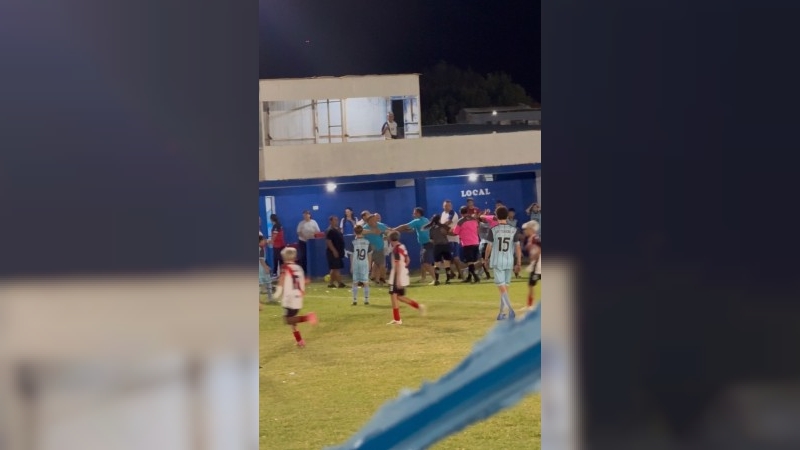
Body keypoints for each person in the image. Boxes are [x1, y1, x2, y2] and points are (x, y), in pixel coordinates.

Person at [485, 206, 522, 321]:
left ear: (496, 216)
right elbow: (518, 247)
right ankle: (501, 313)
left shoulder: (493, 230)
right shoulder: (514, 230)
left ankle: (510, 310)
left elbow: (489, 247)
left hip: (497, 261)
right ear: (507, 216)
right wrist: (519, 262)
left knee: (502, 288)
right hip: (509, 261)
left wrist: (485, 259)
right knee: (505, 288)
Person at [277, 247, 318, 348]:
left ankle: (307, 317)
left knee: (288, 320)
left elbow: (282, 280)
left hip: (289, 298)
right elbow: (303, 281)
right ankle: (300, 341)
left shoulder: (285, 267)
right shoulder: (299, 268)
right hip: (298, 297)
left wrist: (277, 293)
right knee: (293, 321)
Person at [386, 231, 425, 325]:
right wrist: (404, 268)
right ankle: (418, 306)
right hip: (403, 273)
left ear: (390, 240)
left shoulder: (396, 249)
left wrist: (398, 279)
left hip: (396, 275)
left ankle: (397, 319)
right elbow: (408, 260)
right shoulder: (402, 246)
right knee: (399, 297)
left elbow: (397, 265)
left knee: (393, 296)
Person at [392, 207, 436, 284]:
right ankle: (423, 278)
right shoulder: (425, 219)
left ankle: (435, 279)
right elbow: (411, 230)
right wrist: (402, 230)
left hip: (427, 244)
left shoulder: (417, 221)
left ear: (418, 213)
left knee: (425, 263)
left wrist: (393, 230)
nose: (413, 214)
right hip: (425, 244)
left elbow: (404, 226)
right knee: (423, 262)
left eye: (414, 213)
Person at [452, 206, 481, 283]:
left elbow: (455, 232)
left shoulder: (460, 221)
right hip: (476, 242)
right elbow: (477, 229)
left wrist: (448, 231)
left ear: (460, 213)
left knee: (469, 261)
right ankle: (469, 277)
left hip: (467, 243)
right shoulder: (474, 219)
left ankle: (476, 277)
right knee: (472, 261)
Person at [424, 214, 455, 285]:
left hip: (437, 247)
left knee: (437, 264)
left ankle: (437, 280)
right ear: (440, 219)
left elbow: (431, 240)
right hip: (445, 245)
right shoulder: (444, 226)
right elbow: (452, 232)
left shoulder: (432, 229)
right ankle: (448, 280)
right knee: (447, 263)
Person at [440, 200, 466, 279]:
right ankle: (452, 273)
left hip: (453, 239)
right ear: (443, 206)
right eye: (445, 206)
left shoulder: (452, 213)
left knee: (455, 258)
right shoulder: (443, 214)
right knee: (445, 258)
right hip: (445, 239)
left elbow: (448, 222)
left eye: (449, 206)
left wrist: (439, 227)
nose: (447, 207)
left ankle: (461, 273)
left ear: (451, 206)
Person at [362, 213, 389, 285]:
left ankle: (380, 279)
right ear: (368, 221)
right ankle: (363, 281)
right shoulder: (365, 227)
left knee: (381, 265)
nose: (375, 221)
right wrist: (372, 231)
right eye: (373, 220)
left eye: (375, 220)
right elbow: (360, 232)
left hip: (379, 248)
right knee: (367, 266)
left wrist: (387, 236)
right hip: (369, 251)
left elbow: (388, 231)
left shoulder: (380, 225)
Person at [521, 220, 542, 311]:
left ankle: (530, 305)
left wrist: (535, 260)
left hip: (538, 265)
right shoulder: (532, 238)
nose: (525, 231)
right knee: (531, 284)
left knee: (531, 284)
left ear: (531, 229)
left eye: (526, 229)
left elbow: (538, 249)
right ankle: (530, 305)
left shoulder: (535, 238)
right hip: (537, 264)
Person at [350, 225, 372, 305]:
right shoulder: (367, 242)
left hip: (356, 263)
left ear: (354, 232)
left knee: (355, 282)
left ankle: (355, 300)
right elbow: (369, 254)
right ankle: (366, 299)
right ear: (362, 231)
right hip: (364, 263)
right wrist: (370, 264)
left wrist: (351, 266)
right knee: (366, 282)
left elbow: (352, 255)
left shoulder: (353, 242)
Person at [325, 216, 347, 288]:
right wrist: (334, 251)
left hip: (338, 251)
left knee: (334, 268)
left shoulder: (337, 230)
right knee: (336, 268)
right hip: (333, 252)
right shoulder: (330, 230)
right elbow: (328, 242)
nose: (336, 221)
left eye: (337, 220)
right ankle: (340, 283)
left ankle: (331, 283)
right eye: (335, 220)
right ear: (330, 221)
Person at [259, 234, 275, 305]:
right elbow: (261, 260)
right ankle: (270, 298)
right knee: (268, 282)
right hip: (261, 269)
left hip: (260, 268)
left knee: (259, 284)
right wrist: (266, 267)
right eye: (263, 240)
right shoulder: (261, 249)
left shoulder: (261, 248)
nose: (264, 242)